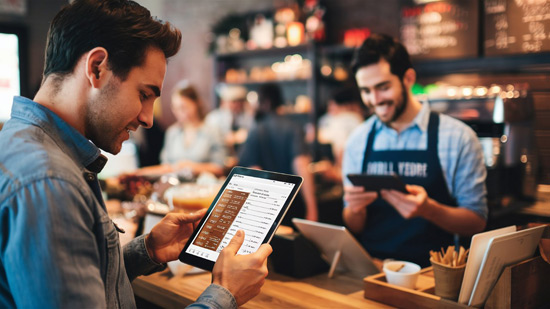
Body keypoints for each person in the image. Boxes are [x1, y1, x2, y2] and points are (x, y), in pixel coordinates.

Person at [0, 1, 271, 308]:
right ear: (96, 68)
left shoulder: (21, 142)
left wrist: (146, 252)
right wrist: (225, 293)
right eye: (144, 95)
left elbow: (75, 283)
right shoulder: (51, 183)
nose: (148, 118)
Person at [342, 34, 488, 267]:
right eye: (366, 91)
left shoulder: (457, 138)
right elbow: (353, 222)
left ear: (408, 78)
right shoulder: (357, 140)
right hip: (373, 270)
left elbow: (476, 221)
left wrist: (429, 210)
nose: (375, 100)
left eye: (383, 87)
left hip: (433, 275)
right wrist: (355, 209)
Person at [238, 83, 318, 225]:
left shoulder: (256, 130)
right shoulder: (294, 127)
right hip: (293, 204)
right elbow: (301, 165)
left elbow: (253, 169)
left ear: (266, 103)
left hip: (266, 207)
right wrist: (312, 207)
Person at [159, 81, 226, 177]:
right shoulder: (172, 132)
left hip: (204, 187)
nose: (179, 112)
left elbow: (219, 167)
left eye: (184, 107)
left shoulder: (212, 131)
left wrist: (191, 166)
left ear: (196, 104)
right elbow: (165, 165)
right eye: (175, 108)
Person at [205, 85, 254, 158]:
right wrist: (226, 138)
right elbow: (208, 139)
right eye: (233, 102)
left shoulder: (248, 117)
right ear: (223, 102)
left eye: (240, 101)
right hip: (221, 157)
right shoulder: (214, 118)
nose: (236, 105)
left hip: (242, 157)